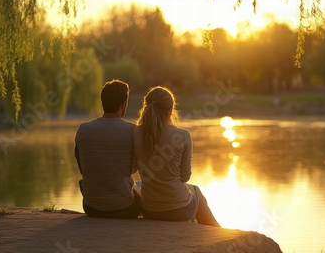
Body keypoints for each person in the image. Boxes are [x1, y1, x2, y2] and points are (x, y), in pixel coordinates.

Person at [133, 86, 220, 226]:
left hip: (149, 209)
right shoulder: (183, 135)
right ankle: (217, 232)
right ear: (170, 110)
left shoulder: (136, 132)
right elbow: (185, 177)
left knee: (138, 185)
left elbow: (134, 168)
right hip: (179, 210)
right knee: (196, 191)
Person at [74, 79, 141, 218]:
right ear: (123, 105)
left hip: (91, 207)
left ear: (102, 103)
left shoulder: (83, 129)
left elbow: (83, 168)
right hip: (125, 209)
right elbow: (133, 168)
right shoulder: (132, 130)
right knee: (140, 189)